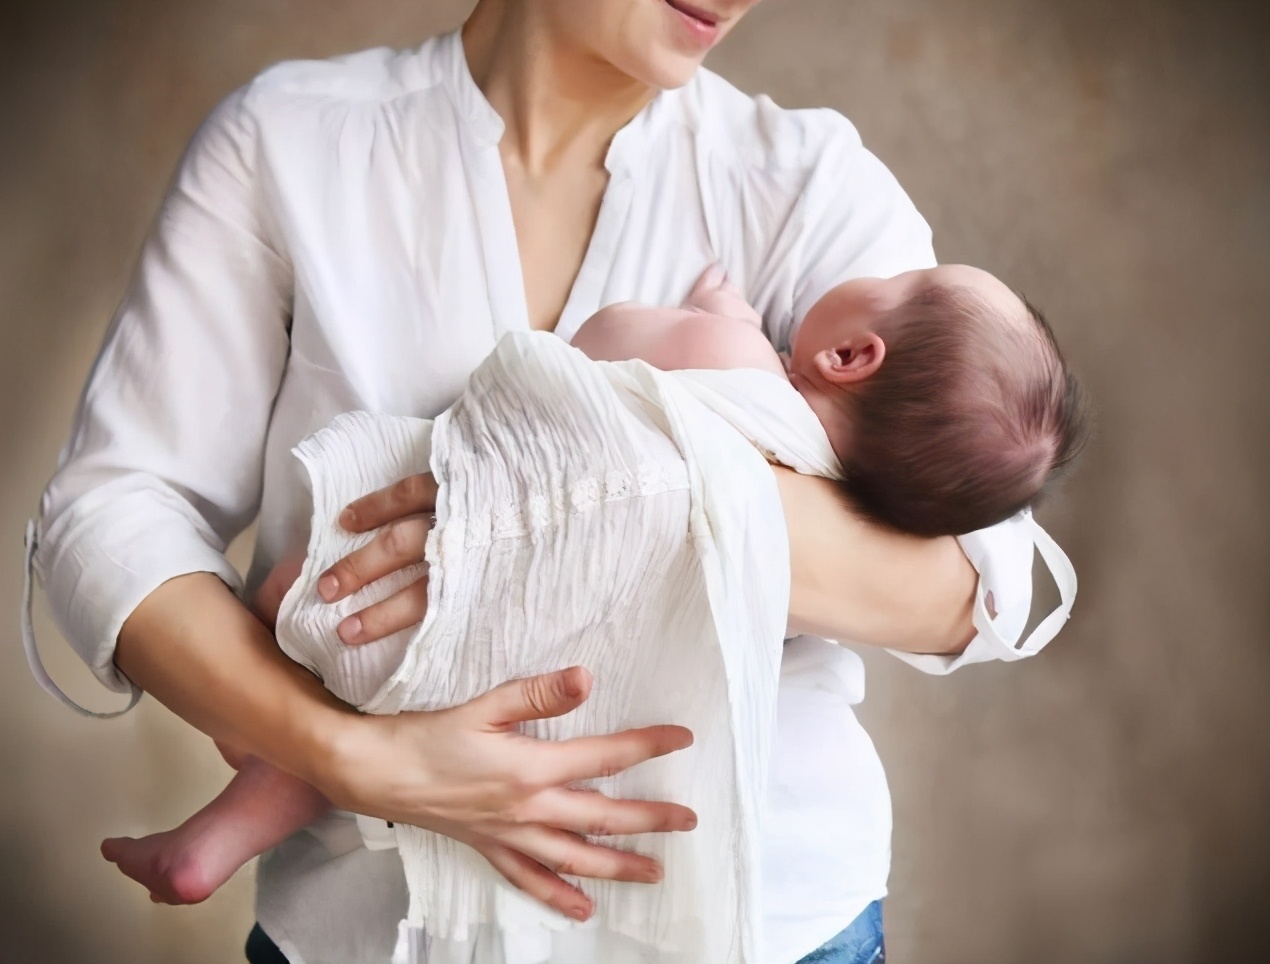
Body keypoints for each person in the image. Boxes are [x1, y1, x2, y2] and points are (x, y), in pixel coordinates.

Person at [25, 2, 1076, 962]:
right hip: (374, 926)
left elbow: (981, 576)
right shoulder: (293, 143)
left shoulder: (805, 181)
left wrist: (545, 510)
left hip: (766, 925)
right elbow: (112, 511)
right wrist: (346, 756)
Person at [97, 260, 1085, 917]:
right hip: (583, 708)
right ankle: (222, 824)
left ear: (848, 356)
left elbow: (604, 338)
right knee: (387, 713)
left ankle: (247, 744)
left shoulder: (742, 366)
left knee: (316, 592)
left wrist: (715, 320)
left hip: (466, 583)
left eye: (895, 277)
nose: (870, 268)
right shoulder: (853, 496)